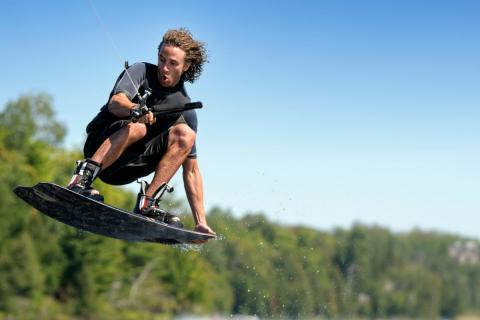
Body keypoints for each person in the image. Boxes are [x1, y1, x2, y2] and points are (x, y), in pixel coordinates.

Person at [67, 28, 215, 235]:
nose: (164, 68)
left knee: (186, 135)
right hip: (101, 146)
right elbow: (116, 102)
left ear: (186, 66)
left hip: (130, 167)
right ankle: (81, 180)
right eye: (162, 59)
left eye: (173, 64)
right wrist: (134, 110)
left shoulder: (184, 108)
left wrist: (201, 221)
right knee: (138, 127)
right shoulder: (141, 71)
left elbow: (191, 171)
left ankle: (147, 203)